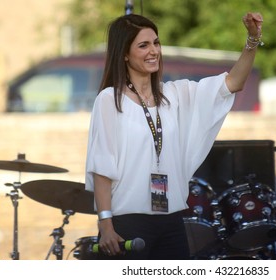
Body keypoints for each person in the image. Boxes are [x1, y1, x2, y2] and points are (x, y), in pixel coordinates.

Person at [85, 11, 264, 260]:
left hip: (171, 222)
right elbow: (102, 167)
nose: (154, 51)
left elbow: (233, 83)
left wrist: (252, 39)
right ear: (125, 54)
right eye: (143, 45)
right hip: (128, 223)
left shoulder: (175, 95)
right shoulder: (110, 99)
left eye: (156, 43)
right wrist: (105, 225)